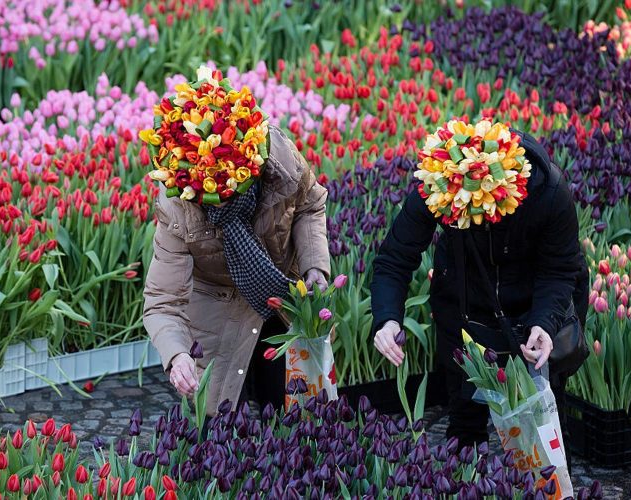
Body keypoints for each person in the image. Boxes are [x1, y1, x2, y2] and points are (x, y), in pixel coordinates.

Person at [370, 125, 588, 449]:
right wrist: (388, 318)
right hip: (463, 308)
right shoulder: (442, 183)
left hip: (532, 309)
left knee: (545, 431)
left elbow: (559, 271)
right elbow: (394, 258)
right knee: (465, 427)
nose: (477, 220)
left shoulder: (548, 192)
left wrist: (543, 322)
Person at [142, 68, 330, 415]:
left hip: (283, 300)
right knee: (221, 431)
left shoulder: (280, 163)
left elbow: (310, 205)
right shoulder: (179, 205)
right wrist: (177, 355)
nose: (218, 199)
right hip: (216, 313)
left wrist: (315, 267)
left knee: (297, 422)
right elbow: (162, 300)